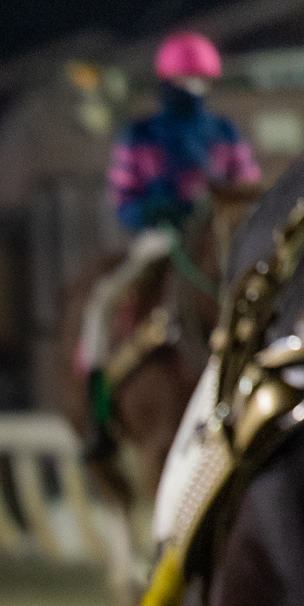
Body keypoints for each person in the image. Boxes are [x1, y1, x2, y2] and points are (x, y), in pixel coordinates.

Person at [76, 31, 259, 462]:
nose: (194, 87)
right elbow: (124, 202)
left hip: (219, 238)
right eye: (186, 80)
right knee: (100, 305)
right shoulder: (140, 135)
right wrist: (160, 208)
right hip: (163, 239)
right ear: (167, 82)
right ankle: (98, 418)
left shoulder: (224, 132)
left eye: (200, 79)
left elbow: (247, 183)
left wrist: (229, 201)